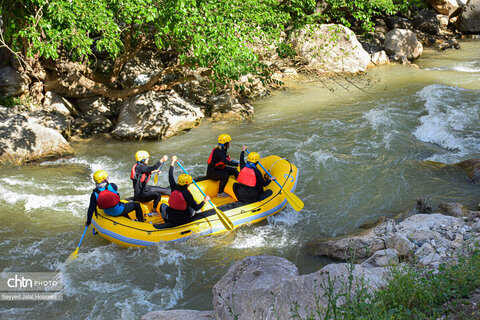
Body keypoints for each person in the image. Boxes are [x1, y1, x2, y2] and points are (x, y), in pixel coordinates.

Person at [160, 156, 210, 226]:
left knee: (162, 206)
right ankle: (195, 221)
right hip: (184, 220)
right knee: (195, 203)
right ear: (187, 184)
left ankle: (167, 220)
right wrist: (205, 200)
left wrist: (172, 162)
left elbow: (170, 175)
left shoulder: (174, 187)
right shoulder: (187, 194)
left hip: (171, 217)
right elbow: (196, 208)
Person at [206, 133, 239, 198]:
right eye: (229, 142)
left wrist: (228, 159)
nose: (230, 143)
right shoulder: (218, 151)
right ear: (226, 143)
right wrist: (237, 164)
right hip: (212, 172)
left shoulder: (223, 148)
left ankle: (241, 183)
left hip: (218, 168)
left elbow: (222, 159)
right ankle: (220, 193)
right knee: (225, 175)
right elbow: (226, 162)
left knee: (234, 170)